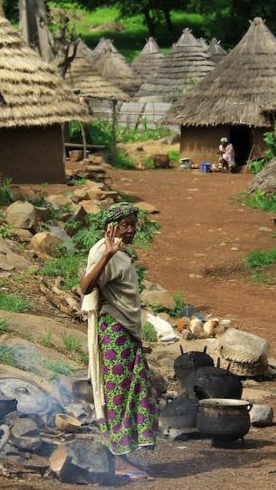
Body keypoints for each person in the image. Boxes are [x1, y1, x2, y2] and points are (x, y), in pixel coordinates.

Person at [81, 202, 158, 482]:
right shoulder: (105, 251)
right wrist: (108, 254)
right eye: (125, 224)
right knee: (117, 394)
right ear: (110, 227)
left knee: (130, 390)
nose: (131, 230)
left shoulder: (120, 254)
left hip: (125, 331)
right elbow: (86, 286)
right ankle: (118, 462)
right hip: (114, 330)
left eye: (133, 224)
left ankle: (122, 454)